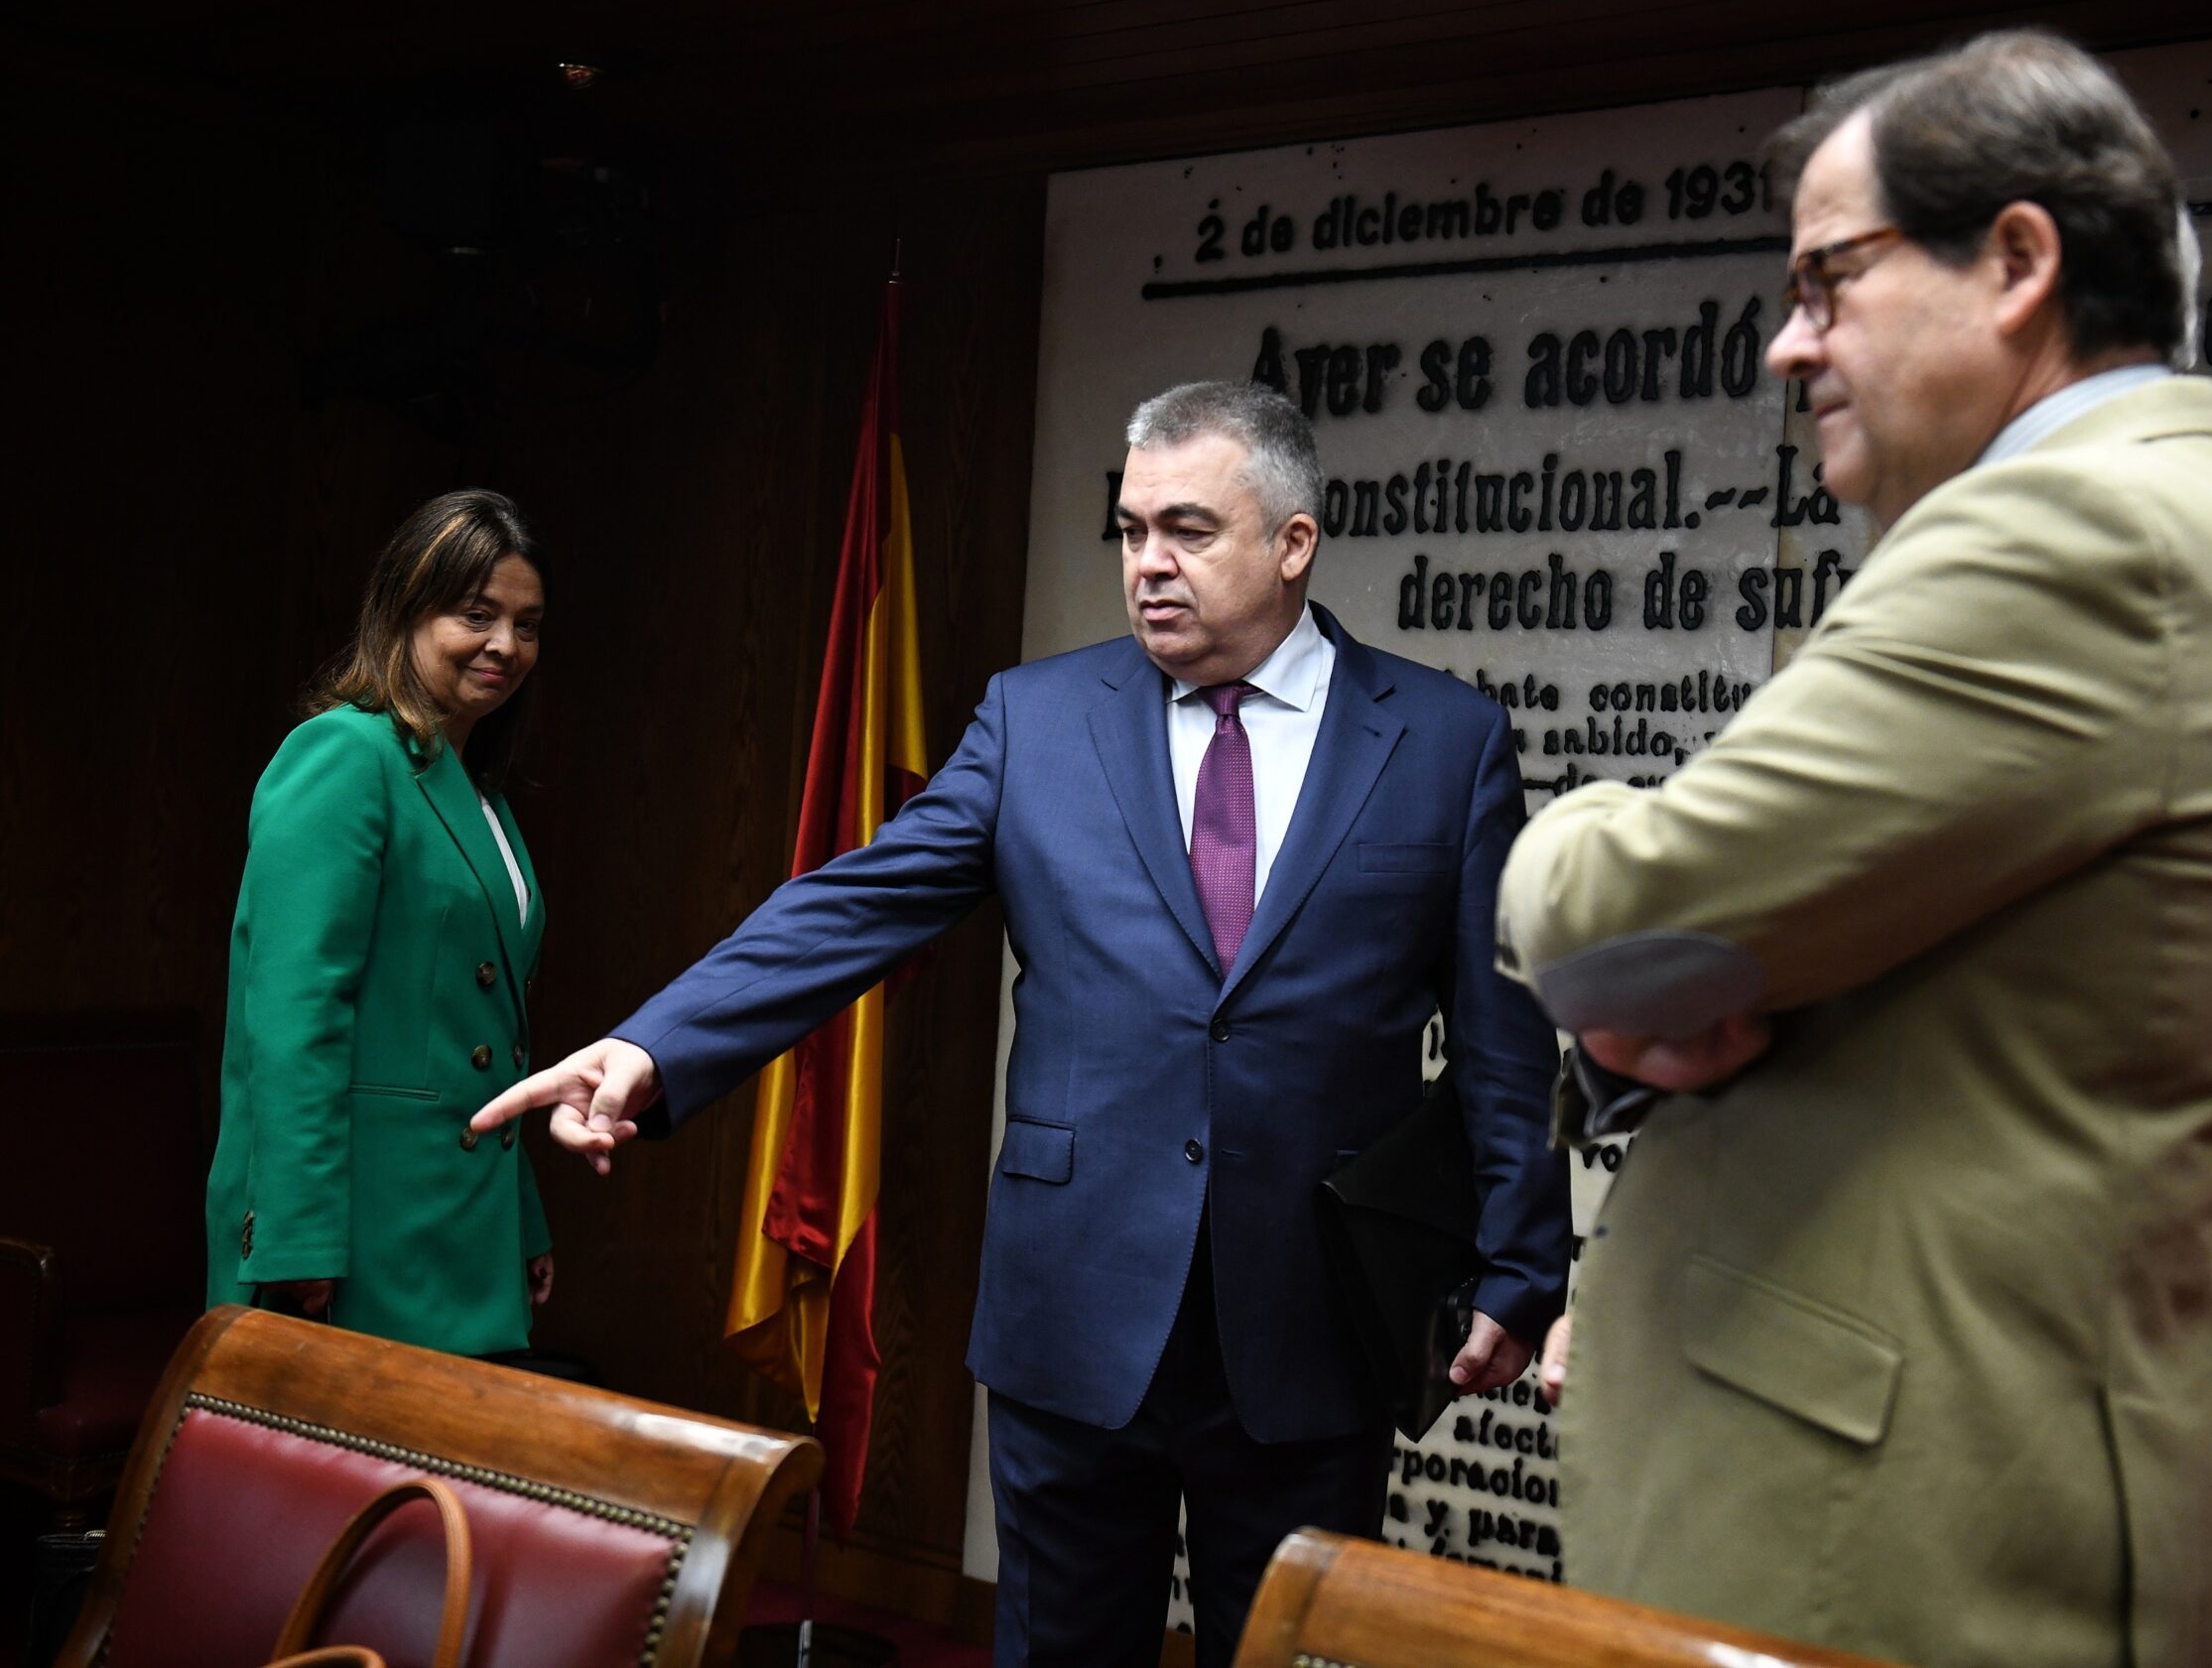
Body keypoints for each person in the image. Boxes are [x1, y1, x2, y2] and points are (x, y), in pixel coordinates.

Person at [1494, 31, 2212, 1666]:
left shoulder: (2075, 529)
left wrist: (1577, 830)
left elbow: (1614, 919)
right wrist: (1653, 990)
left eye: (1828, 280)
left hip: (1907, 1539)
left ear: (2018, 261)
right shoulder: (2131, 514)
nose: (1785, 344)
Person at [473, 382, 1569, 1668]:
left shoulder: (1442, 741)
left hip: (1314, 1315)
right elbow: (853, 905)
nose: (1148, 563)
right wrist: (652, 1047)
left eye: (1189, 529)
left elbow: (1503, 1036)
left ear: (1293, 542)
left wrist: (1519, 1262)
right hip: (1075, 1301)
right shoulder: (1036, 719)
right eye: (1131, 529)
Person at [204, 489, 556, 1356]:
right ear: (406, 611)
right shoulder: (346, 753)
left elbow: (482, 1040)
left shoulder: (481, 795)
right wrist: (296, 1238)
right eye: (476, 614)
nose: (505, 645)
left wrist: (522, 1216)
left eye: (527, 624)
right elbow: (295, 1016)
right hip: (359, 1233)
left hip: (460, 1221)